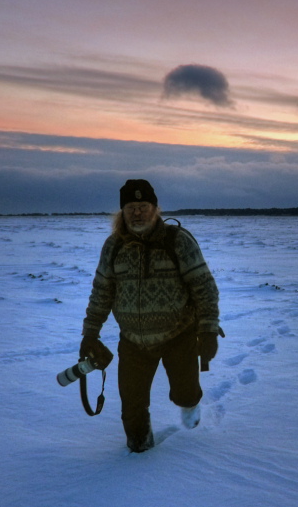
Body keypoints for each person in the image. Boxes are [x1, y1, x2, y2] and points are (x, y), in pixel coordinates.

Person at [80, 179, 222, 453]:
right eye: (131, 207)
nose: (137, 213)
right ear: (122, 212)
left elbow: (204, 287)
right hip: (133, 341)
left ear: (155, 208)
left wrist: (208, 330)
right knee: (132, 408)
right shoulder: (113, 247)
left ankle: (191, 408)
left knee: (185, 393)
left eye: (143, 206)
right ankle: (140, 452)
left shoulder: (178, 241)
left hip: (178, 335)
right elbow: (101, 292)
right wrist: (90, 334)